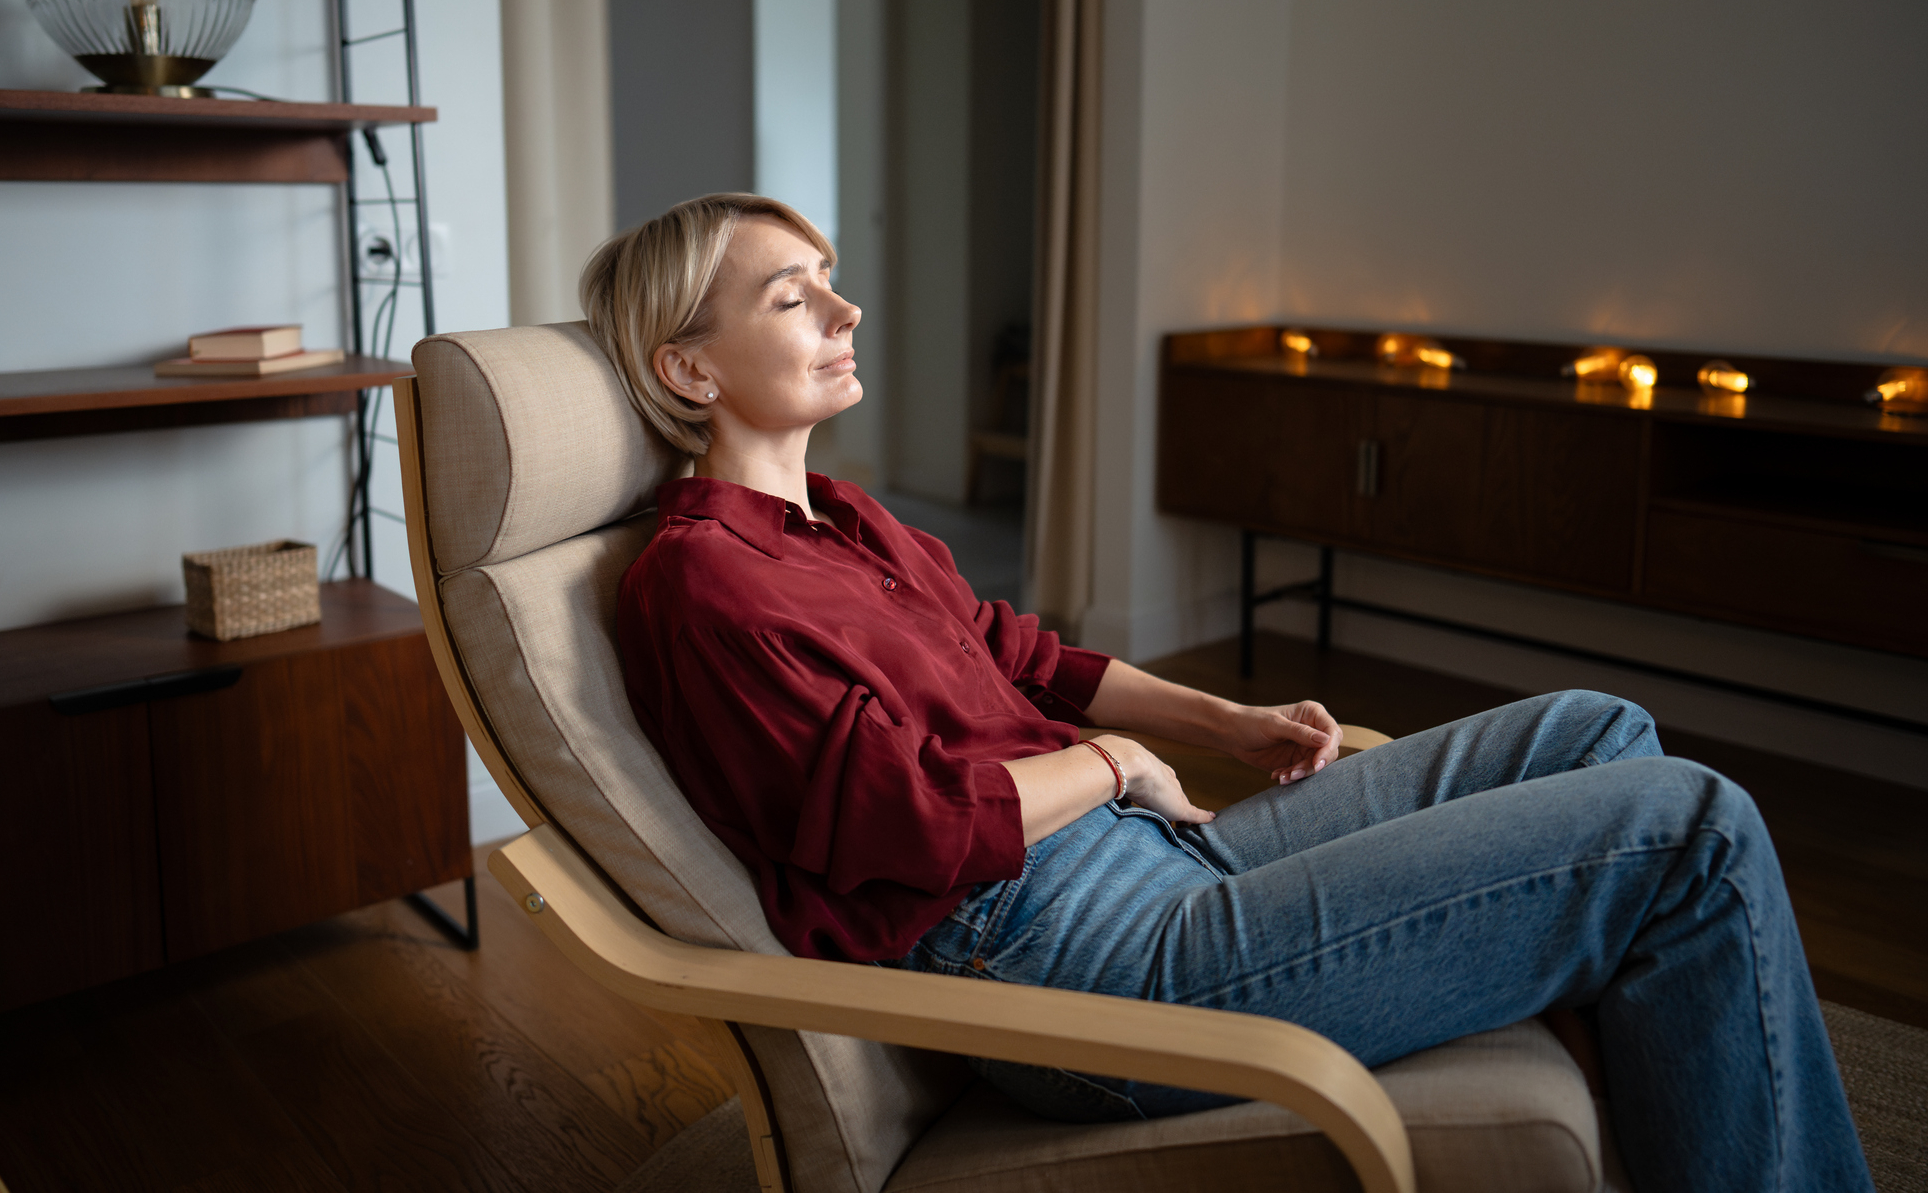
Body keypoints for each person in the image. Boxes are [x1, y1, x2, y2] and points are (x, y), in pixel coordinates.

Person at [586, 193, 1871, 1192]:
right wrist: (1109, 764)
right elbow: (904, 822)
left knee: (1596, 730)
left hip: (1147, 862)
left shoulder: (849, 521)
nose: (845, 313)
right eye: (792, 297)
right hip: (1080, 970)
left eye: (832, 285)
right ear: (691, 370)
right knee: (1690, 829)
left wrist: (1223, 724)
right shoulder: (702, 583)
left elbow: (1021, 652)